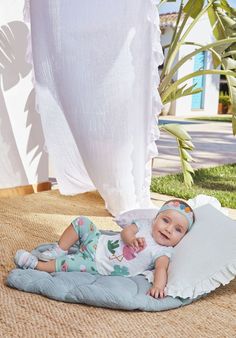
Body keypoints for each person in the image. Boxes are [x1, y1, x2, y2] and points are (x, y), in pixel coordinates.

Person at [14, 199, 195, 299]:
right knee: (82, 222)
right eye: (165, 220)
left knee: (68, 264)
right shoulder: (144, 225)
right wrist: (130, 239)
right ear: (156, 219)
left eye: (178, 230)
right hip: (98, 241)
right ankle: (60, 249)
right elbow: (126, 231)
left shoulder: (162, 252)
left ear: (182, 237)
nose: (168, 229)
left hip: (97, 264)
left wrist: (158, 286)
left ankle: (36, 265)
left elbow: (161, 269)